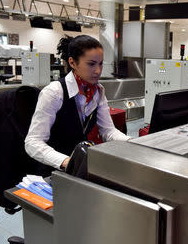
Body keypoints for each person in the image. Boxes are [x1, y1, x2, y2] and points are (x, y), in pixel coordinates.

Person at [25, 35, 131, 170]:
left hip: (80, 165)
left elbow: (108, 131)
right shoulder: (54, 93)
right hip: (52, 169)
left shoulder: (98, 91)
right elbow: (32, 142)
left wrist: (133, 143)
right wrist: (66, 161)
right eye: (91, 64)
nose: (98, 71)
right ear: (72, 62)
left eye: (100, 63)